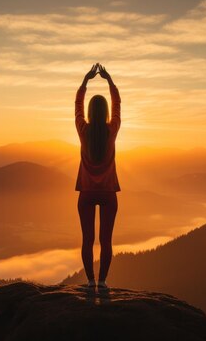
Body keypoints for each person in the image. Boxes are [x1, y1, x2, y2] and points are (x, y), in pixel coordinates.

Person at [75, 63, 121, 291]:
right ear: (105, 113)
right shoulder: (112, 130)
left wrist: (85, 82)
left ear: (90, 113)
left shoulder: (83, 131)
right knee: (105, 241)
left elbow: (77, 108)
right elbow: (118, 107)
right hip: (109, 194)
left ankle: (90, 281)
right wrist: (110, 82)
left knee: (87, 240)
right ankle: (102, 282)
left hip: (85, 193)